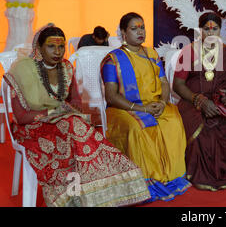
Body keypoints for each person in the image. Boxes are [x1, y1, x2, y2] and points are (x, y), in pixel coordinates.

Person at [3, 24, 150, 207]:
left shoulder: (65, 68)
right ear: (39, 48)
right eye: (51, 46)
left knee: (77, 126)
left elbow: (76, 102)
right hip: (32, 127)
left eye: (61, 46)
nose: (58, 52)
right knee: (76, 128)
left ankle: (96, 194)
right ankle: (79, 197)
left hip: (65, 121)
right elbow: (21, 117)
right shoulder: (23, 70)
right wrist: (53, 112)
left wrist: (69, 112)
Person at [101, 12, 191, 201]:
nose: (140, 32)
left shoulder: (152, 53)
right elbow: (111, 95)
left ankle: (172, 175)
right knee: (140, 127)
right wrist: (140, 109)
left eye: (142, 27)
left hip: (154, 104)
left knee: (173, 121)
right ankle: (145, 180)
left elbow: (164, 83)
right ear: (124, 33)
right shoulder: (113, 59)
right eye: (134, 28)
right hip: (124, 109)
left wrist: (161, 102)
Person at [173, 12, 226, 191]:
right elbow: (178, 85)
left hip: (224, 101)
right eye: (206, 29)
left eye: (215, 29)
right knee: (204, 127)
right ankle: (208, 172)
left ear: (220, 30)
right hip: (194, 101)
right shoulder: (189, 51)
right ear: (200, 31)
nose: (211, 33)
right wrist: (200, 100)